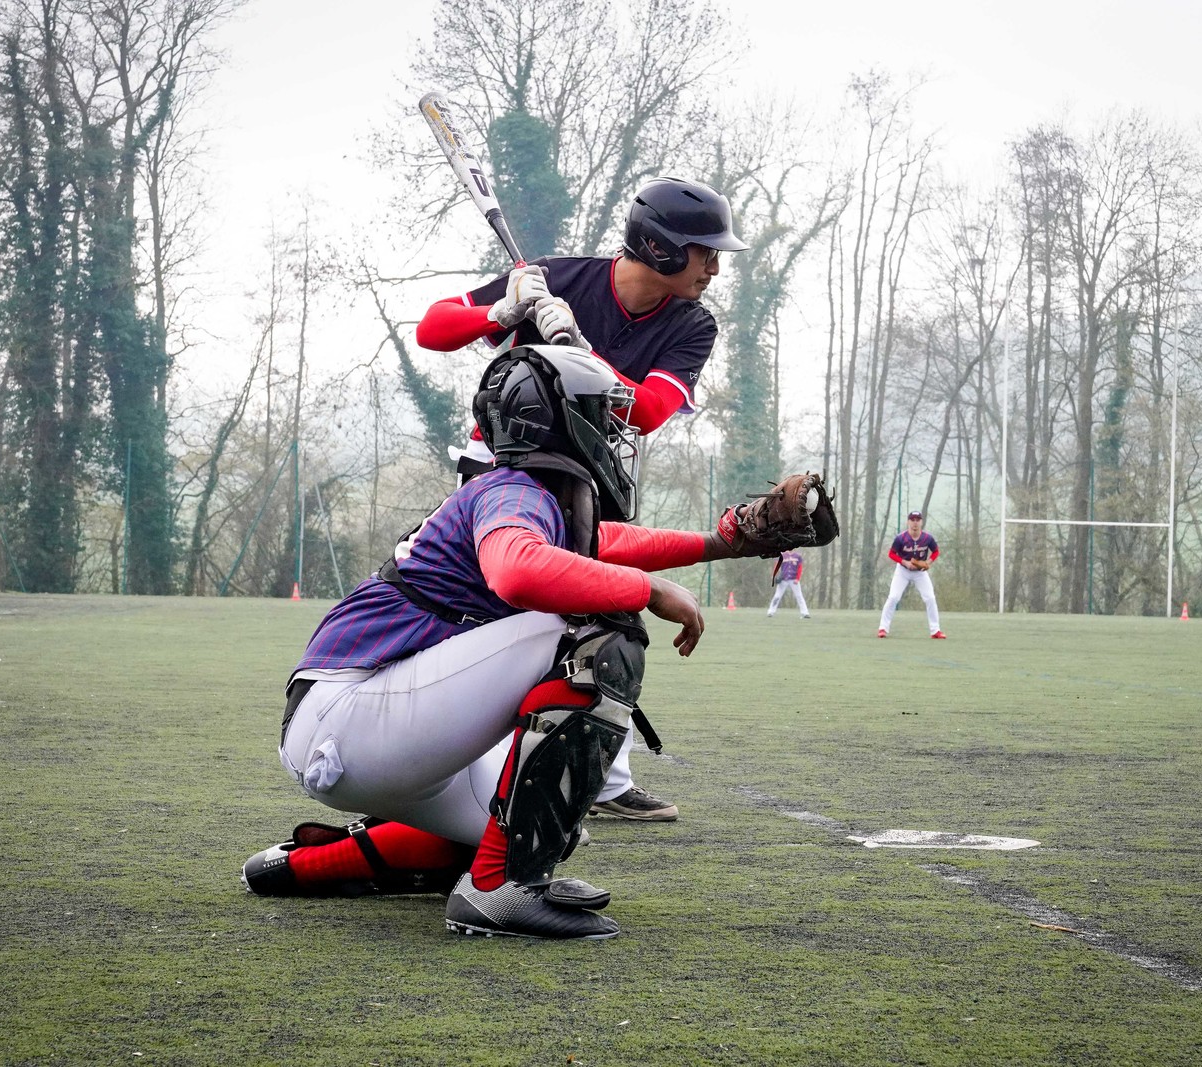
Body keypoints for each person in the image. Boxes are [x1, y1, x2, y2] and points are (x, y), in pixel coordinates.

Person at [242, 345, 772, 940]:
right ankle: (496, 891)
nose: (615, 429)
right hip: (349, 717)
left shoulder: (522, 495)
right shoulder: (513, 490)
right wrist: (645, 590)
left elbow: (617, 542)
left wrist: (724, 541)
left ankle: (313, 863)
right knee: (596, 627)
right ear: (557, 419)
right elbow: (517, 571)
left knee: (536, 823)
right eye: (603, 413)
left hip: (354, 731)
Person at [414, 176, 749, 824]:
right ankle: (458, 777)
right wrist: (503, 314)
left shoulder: (692, 325)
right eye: (705, 250)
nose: (714, 266)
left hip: (583, 481)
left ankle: (602, 780)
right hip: (500, 474)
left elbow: (647, 409)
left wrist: (579, 351)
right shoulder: (556, 277)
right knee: (505, 621)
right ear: (661, 247)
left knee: (604, 621)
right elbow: (433, 330)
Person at [878, 511, 945, 640]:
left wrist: (928, 562)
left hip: (920, 573)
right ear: (908, 522)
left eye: (917, 520)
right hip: (903, 571)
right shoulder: (901, 538)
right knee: (893, 597)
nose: (915, 522)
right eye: (912, 519)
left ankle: (935, 630)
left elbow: (936, 551)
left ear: (921, 522)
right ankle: (883, 628)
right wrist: (905, 562)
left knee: (930, 598)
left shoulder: (927, 538)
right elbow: (891, 554)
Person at [766, 549, 811, 619]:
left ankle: (805, 613)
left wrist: (797, 579)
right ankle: (771, 611)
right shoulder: (783, 555)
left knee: (799, 596)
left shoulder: (798, 556)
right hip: (783, 579)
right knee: (777, 596)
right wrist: (774, 575)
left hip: (793, 579)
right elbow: (777, 565)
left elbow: (800, 568)